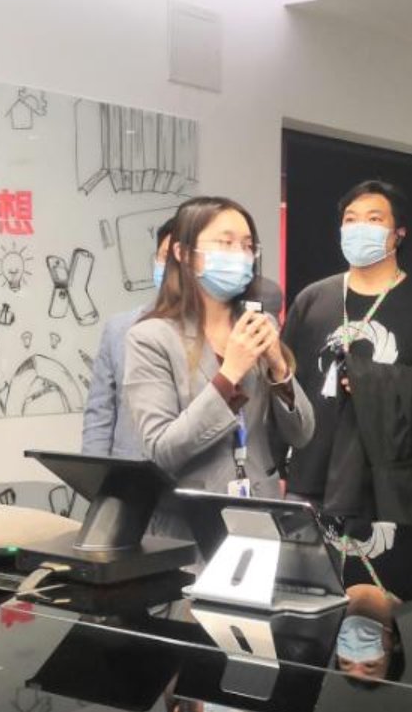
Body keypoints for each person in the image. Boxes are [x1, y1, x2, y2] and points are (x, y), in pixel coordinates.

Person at [282, 181, 412, 526]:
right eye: (350, 219)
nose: (359, 228)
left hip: (390, 488)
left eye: (374, 219)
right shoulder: (312, 300)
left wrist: (379, 381)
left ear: (398, 233)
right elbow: (284, 384)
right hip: (309, 480)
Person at [122, 196, 312, 497]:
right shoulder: (151, 337)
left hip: (259, 504)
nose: (240, 254)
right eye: (226, 243)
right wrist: (229, 375)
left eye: (247, 246)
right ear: (184, 253)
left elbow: (301, 434)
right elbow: (161, 449)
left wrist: (279, 368)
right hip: (191, 510)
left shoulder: (258, 325)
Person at [83, 215, 177, 458]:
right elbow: (100, 414)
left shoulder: (212, 331)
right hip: (130, 468)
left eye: (180, 259)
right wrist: (95, 475)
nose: (171, 267)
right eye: (165, 257)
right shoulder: (119, 328)